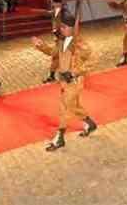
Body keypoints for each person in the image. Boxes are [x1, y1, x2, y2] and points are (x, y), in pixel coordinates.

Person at [31, 12, 98, 152]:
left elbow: (93, 60)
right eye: (60, 27)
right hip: (64, 81)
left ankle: (59, 137)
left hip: (74, 81)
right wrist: (40, 45)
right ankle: (90, 123)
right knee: (74, 106)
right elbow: (52, 53)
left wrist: (76, 72)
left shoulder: (79, 43)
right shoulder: (62, 41)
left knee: (64, 108)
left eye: (63, 27)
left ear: (72, 28)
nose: (60, 29)